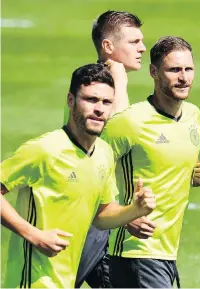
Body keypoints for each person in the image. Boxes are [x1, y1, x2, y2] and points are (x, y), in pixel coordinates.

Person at [0, 63, 156, 288]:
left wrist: (134, 211)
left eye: (106, 102)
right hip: (31, 281)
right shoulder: (44, 149)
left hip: (67, 281)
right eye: (91, 100)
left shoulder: (103, 153)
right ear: (71, 100)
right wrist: (34, 235)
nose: (99, 109)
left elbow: (102, 215)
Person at [101, 36, 200, 288]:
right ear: (154, 72)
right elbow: (90, 170)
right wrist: (124, 216)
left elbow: (160, 165)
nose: (183, 77)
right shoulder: (129, 122)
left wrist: (192, 175)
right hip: (135, 252)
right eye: (174, 70)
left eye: (188, 69)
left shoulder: (193, 116)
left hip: (167, 252)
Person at [74, 10, 148, 288]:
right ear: (108, 47)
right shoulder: (102, 89)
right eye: (134, 41)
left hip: (101, 216)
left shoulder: (111, 80)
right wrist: (123, 216)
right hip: (90, 221)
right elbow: (104, 149)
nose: (142, 48)